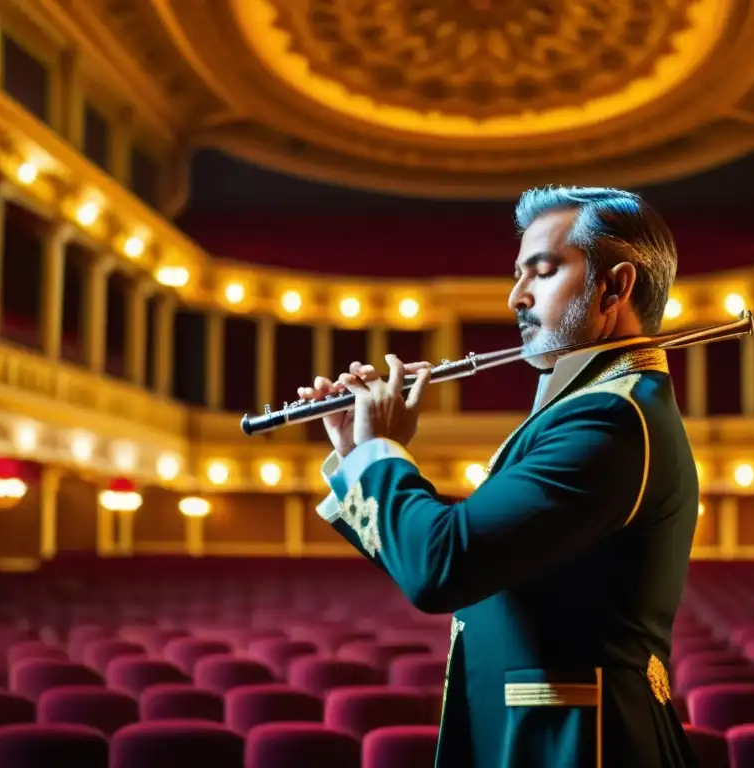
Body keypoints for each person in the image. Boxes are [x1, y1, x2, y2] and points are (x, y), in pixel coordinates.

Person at [298, 186, 701, 767]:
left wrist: (382, 448)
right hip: (546, 736)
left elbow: (442, 567)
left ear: (614, 286)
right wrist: (355, 449)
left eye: (541, 272)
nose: (516, 296)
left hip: (578, 746)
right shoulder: (596, 407)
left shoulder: (611, 418)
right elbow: (447, 557)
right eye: (518, 275)